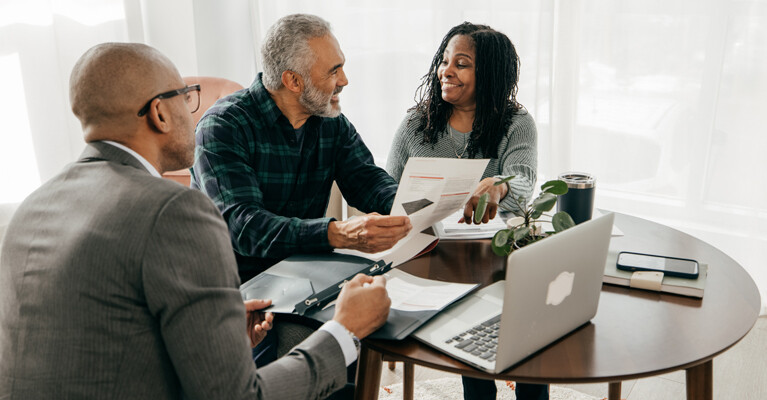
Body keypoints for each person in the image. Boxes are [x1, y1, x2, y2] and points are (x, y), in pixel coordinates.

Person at [0, 42, 391, 400]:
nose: (194, 109)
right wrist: (343, 330)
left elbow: (106, 339)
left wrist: (218, 338)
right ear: (159, 113)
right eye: (186, 97)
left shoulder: (32, 207)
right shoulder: (175, 211)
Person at [385, 23, 547, 400]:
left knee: (529, 324)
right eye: (444, 61)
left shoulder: (516, 124)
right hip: (430, 255)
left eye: (462, 63)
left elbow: (524, 180)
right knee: (469, 332)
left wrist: (500, 183)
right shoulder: (415, 123)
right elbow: (385, 187)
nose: (447, 71)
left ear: (488, 72)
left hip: (494, 255)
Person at [191, 13, 411, 283]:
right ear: (293, 81)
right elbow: (245, 227)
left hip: (301, 275)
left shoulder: (331, 122)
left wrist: (413, 206)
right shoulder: (223, 127)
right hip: (234, 286)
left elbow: (366, 180)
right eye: (334, 70)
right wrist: (336, 233)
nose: (344, 80)